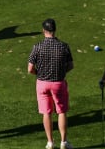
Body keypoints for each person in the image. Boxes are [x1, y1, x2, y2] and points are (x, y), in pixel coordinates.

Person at [28, 18, 74, 149]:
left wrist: (38, 73)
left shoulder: (37, 47)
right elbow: (70, 65)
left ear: (44, 31)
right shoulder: (63, 46)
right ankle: (64, 142)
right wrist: (60, 72)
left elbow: (30, 69)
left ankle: (50, 142)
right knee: (61, 111)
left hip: (42, 83)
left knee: (46, 112)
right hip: (58, 83)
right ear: (55, 30)